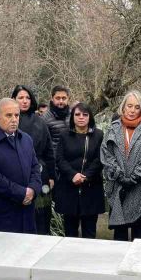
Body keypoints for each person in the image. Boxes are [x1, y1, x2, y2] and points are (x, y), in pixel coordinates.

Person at [101, 90, 141, 241]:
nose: (132, 110)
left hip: (140, 188)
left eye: (137, 107)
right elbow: (107, 155)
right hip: (118, 188)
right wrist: (120, 177)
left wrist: (133, 178)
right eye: (129, 106)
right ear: (123, 107)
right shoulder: (113, 128)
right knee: (119, 236)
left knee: (139, 236)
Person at [0, 98, 42, 234]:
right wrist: (22, 193)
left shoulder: (26, 139)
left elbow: (35, 167)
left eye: (16, 115)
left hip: (27, 212)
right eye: (8, 115)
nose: (14, 119)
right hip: (3, 215)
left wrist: (33, 190)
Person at [54, 102, 105, 238]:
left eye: (85, 114)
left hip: (91, 188)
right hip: (69, 189)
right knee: (70, 233)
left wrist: (85, 176)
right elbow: (59, 159)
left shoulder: (99, 135)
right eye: (77, 114)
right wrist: (73, 175)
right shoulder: (64, 135)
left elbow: (100, 159)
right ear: (72, 117)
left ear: (90, 117)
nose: (81, 117)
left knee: (89, 232)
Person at [11, 85, 56, 235]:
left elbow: (49, 151)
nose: (24, 101)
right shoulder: (8, 121)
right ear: (13, 100)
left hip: (41, 175)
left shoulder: (40, 121)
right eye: (20, 98)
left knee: (42, 218)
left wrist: (51, 175)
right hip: (16, 175)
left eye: (27, 98)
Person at [41, 85, 71, 153]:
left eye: (64, 98)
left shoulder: (74, 115)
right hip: (54, 159)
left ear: (68, 98)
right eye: (58, 98)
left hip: (72, 157)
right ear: (52, 98)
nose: (61, 101)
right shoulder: (45, 118)